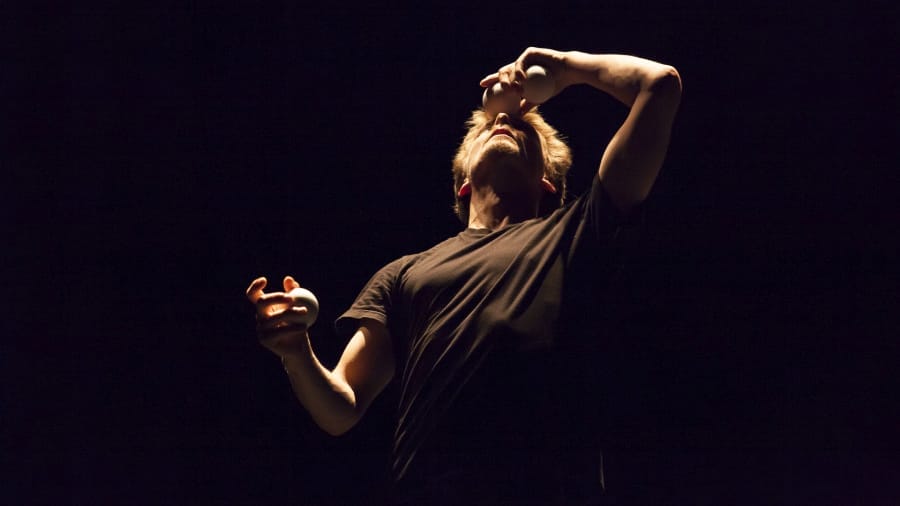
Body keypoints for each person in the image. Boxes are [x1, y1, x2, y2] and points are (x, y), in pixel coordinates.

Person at [246, 47, 681, 504]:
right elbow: (341, 408)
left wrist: (565, 68)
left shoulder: (578, 232)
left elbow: (659, 85)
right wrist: (296, 351)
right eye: (490, 126)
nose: (502, 120)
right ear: (464, 182)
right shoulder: (404, 273)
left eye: (522, 128)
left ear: (546, 181)